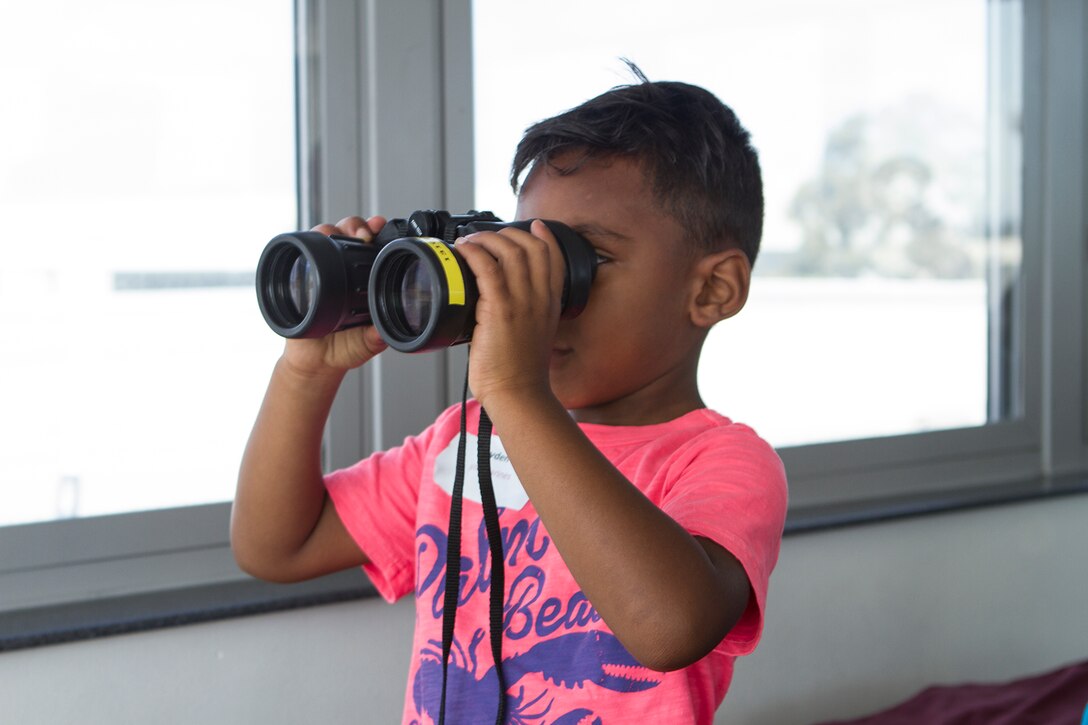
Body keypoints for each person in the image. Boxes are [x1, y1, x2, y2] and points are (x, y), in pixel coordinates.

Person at [233, 66, 788, 724]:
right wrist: (306, 370)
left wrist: (517, 393)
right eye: (525, 251)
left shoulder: (720, 462)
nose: (539, 296)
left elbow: (669, 628)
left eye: (580, 263)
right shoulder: (460, 441)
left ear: (712, 290)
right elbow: (276, 546)